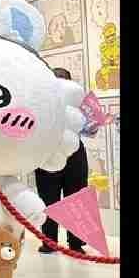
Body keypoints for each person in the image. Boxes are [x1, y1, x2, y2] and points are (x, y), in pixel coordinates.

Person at [35, 68, 90, 254]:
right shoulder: (41, 103)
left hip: (74, 153)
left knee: (76, 198)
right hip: (48, 153)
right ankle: (49, 241)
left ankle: (75, 242)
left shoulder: (80, 103)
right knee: (48, 198)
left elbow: (91, 128)